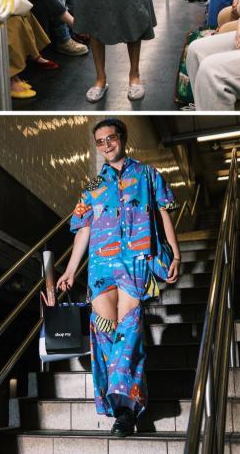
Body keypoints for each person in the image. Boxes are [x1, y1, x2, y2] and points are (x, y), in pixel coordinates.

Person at [56, 119, 181, 436]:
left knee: (128, 335)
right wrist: (71, 270)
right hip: (100, 269)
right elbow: (83, 229)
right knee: (106, 336)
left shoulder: (148, 175)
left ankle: (125, 412)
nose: (106, 144)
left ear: (123, 139)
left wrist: (176, 254)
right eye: (100, 141)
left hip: (135, 265)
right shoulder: (93, 187)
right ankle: (122, 406)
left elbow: (164, 212)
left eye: (111, 138)